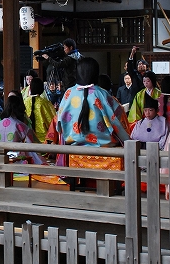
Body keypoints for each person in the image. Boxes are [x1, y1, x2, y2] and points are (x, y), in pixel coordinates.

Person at [56, 57, 130, 188]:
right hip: (102, 145)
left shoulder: (68, 93)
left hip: (74, 145)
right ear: (96, 74)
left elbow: (59, 123)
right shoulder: (101, 93)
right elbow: (117, 118)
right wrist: (127, 139)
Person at [24, 77, 55, 143]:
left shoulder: (25, 102)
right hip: (44, 141)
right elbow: (52, 121)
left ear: (30, 88)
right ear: (42, 89)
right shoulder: (45, 103)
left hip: (28, 139)